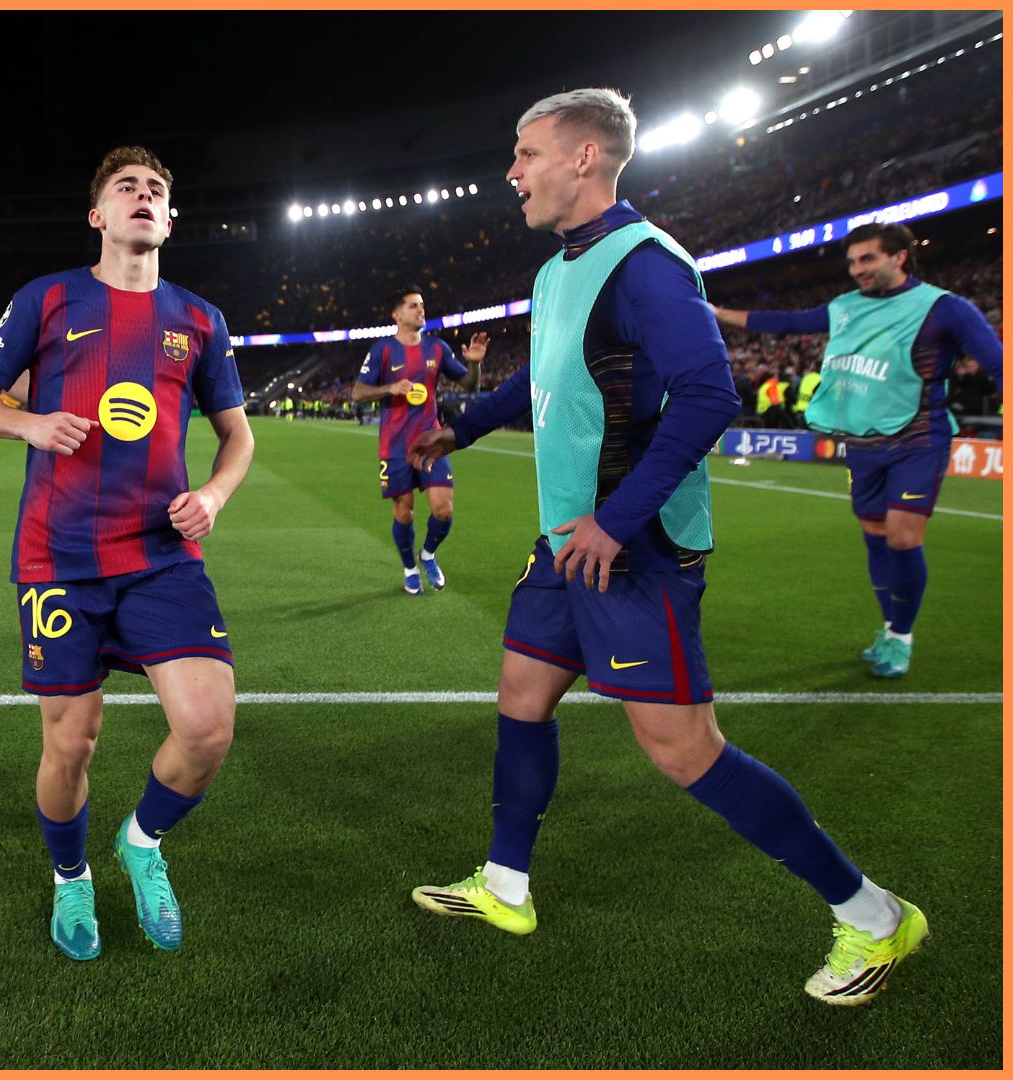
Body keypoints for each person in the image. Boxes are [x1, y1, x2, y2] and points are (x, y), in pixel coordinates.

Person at [407, 88, 926, 1006]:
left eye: (526, 153)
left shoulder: (648, 265)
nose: (511, 171)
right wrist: (465, 425)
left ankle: (878, 916)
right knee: (522, 698)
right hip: (569, 540)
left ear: (584, 158)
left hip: (634, 546)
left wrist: (618, 520)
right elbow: (546, 372)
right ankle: (507, 887)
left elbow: (708, 395)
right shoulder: (558, 267)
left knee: (685, 751)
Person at [0, 147, 253, 962]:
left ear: (170, 215)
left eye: (158, 188)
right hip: (59, 556)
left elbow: (237, 435)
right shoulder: (48, 298)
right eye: (127, 188)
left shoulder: (199, 319)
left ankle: (143, 843)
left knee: (207, 729)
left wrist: (216, 497)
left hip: (162, 555)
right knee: (71, 743)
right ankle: (71, 876)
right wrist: (29, 424)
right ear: (98, 216)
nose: (145, 196)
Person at [712, 222, 1003, 677]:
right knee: (874, 535)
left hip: (918, 438)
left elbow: (997, 363)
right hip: (862, 442)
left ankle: (901, 638)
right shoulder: (845, 307)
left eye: (867, 259)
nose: (857, 269)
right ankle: (889, 628)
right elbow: (789, 323)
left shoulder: (945, 308)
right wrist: (718, 313)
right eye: (851, 262)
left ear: (899, 257)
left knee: (903, 536)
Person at [350, 287, 486, 593]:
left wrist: (475, 363)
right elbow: (358, 392)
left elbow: (469, 385)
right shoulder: (382, 350)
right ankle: (409, 567)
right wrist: (390, 388)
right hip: (395, 447)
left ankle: (428, 554)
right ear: (397, 315)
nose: (421, 310)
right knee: (404, 512)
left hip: (431, 442)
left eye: (422, 305)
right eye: (413, 306)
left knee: (444, 510)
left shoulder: (437, 348)